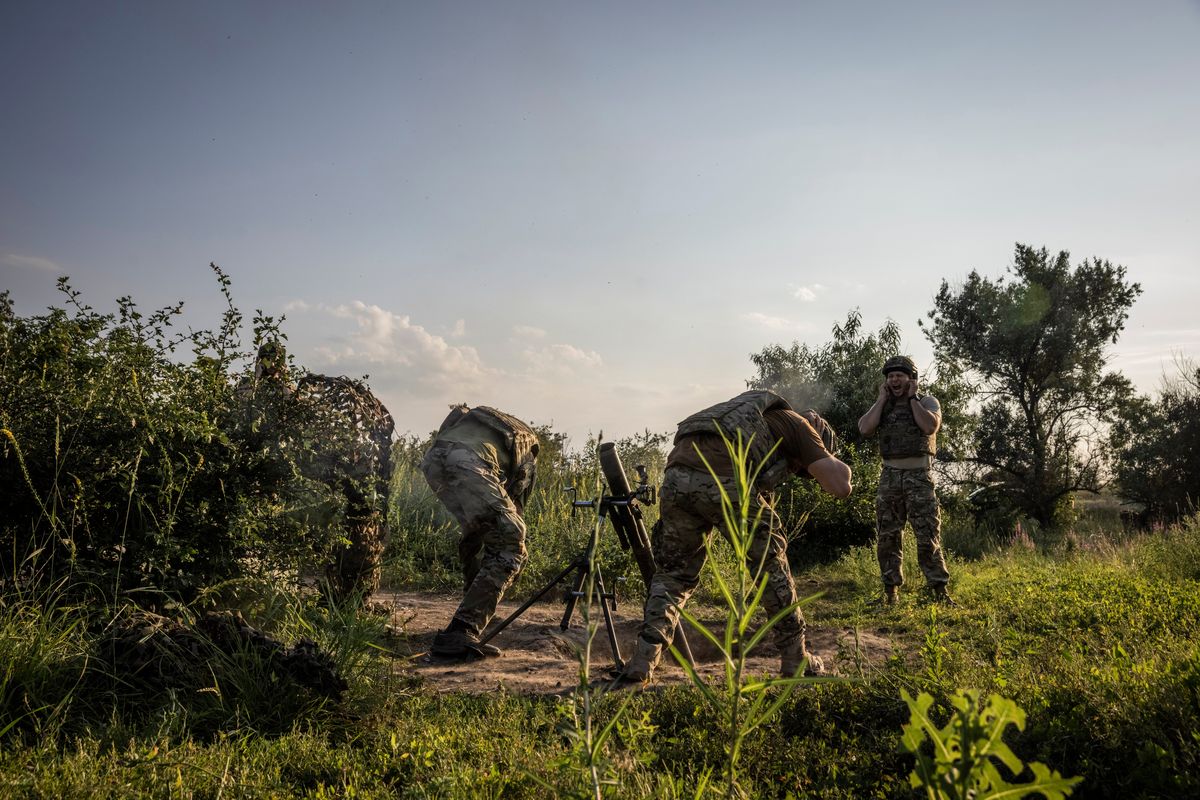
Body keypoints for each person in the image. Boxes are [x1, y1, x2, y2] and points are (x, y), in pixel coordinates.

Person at [617, 390, 853, 686]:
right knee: (771, 567)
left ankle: (643, 659)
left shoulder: (762, 421)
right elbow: (840, 486)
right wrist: (826, 455)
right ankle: (796, 658)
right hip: (724, 473)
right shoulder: (803, 428)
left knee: (673, 575)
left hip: (677, 472)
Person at [238, 340, 395, 605]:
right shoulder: (248, 388)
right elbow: (244, 414)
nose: (272, 366)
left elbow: (301, 422)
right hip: (256, 462)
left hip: (282, 463)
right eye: (267, 360)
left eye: (275, 361)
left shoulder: (288, 390)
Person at [420, 404, 540, 658]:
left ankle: (469, 614)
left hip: (434, 460)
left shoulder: (491, 428)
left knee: (478, 531)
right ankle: (463, 629)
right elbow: (515, 510)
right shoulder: (529, 454)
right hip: (469, 462)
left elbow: (476, 536)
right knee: (512, 541)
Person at [857, 355, 953, 605]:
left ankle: (939, 593)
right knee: (887, 537)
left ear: (911, 379)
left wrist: (912, 398)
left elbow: (929, 426)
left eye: (899, 375)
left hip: (919, 477)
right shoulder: (883, 404)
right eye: (890, 376)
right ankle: (890, 595)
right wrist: (880, 400)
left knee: (927, 535)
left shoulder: (927, 402)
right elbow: (865, 428)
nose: (894, 379)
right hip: (889, 477)